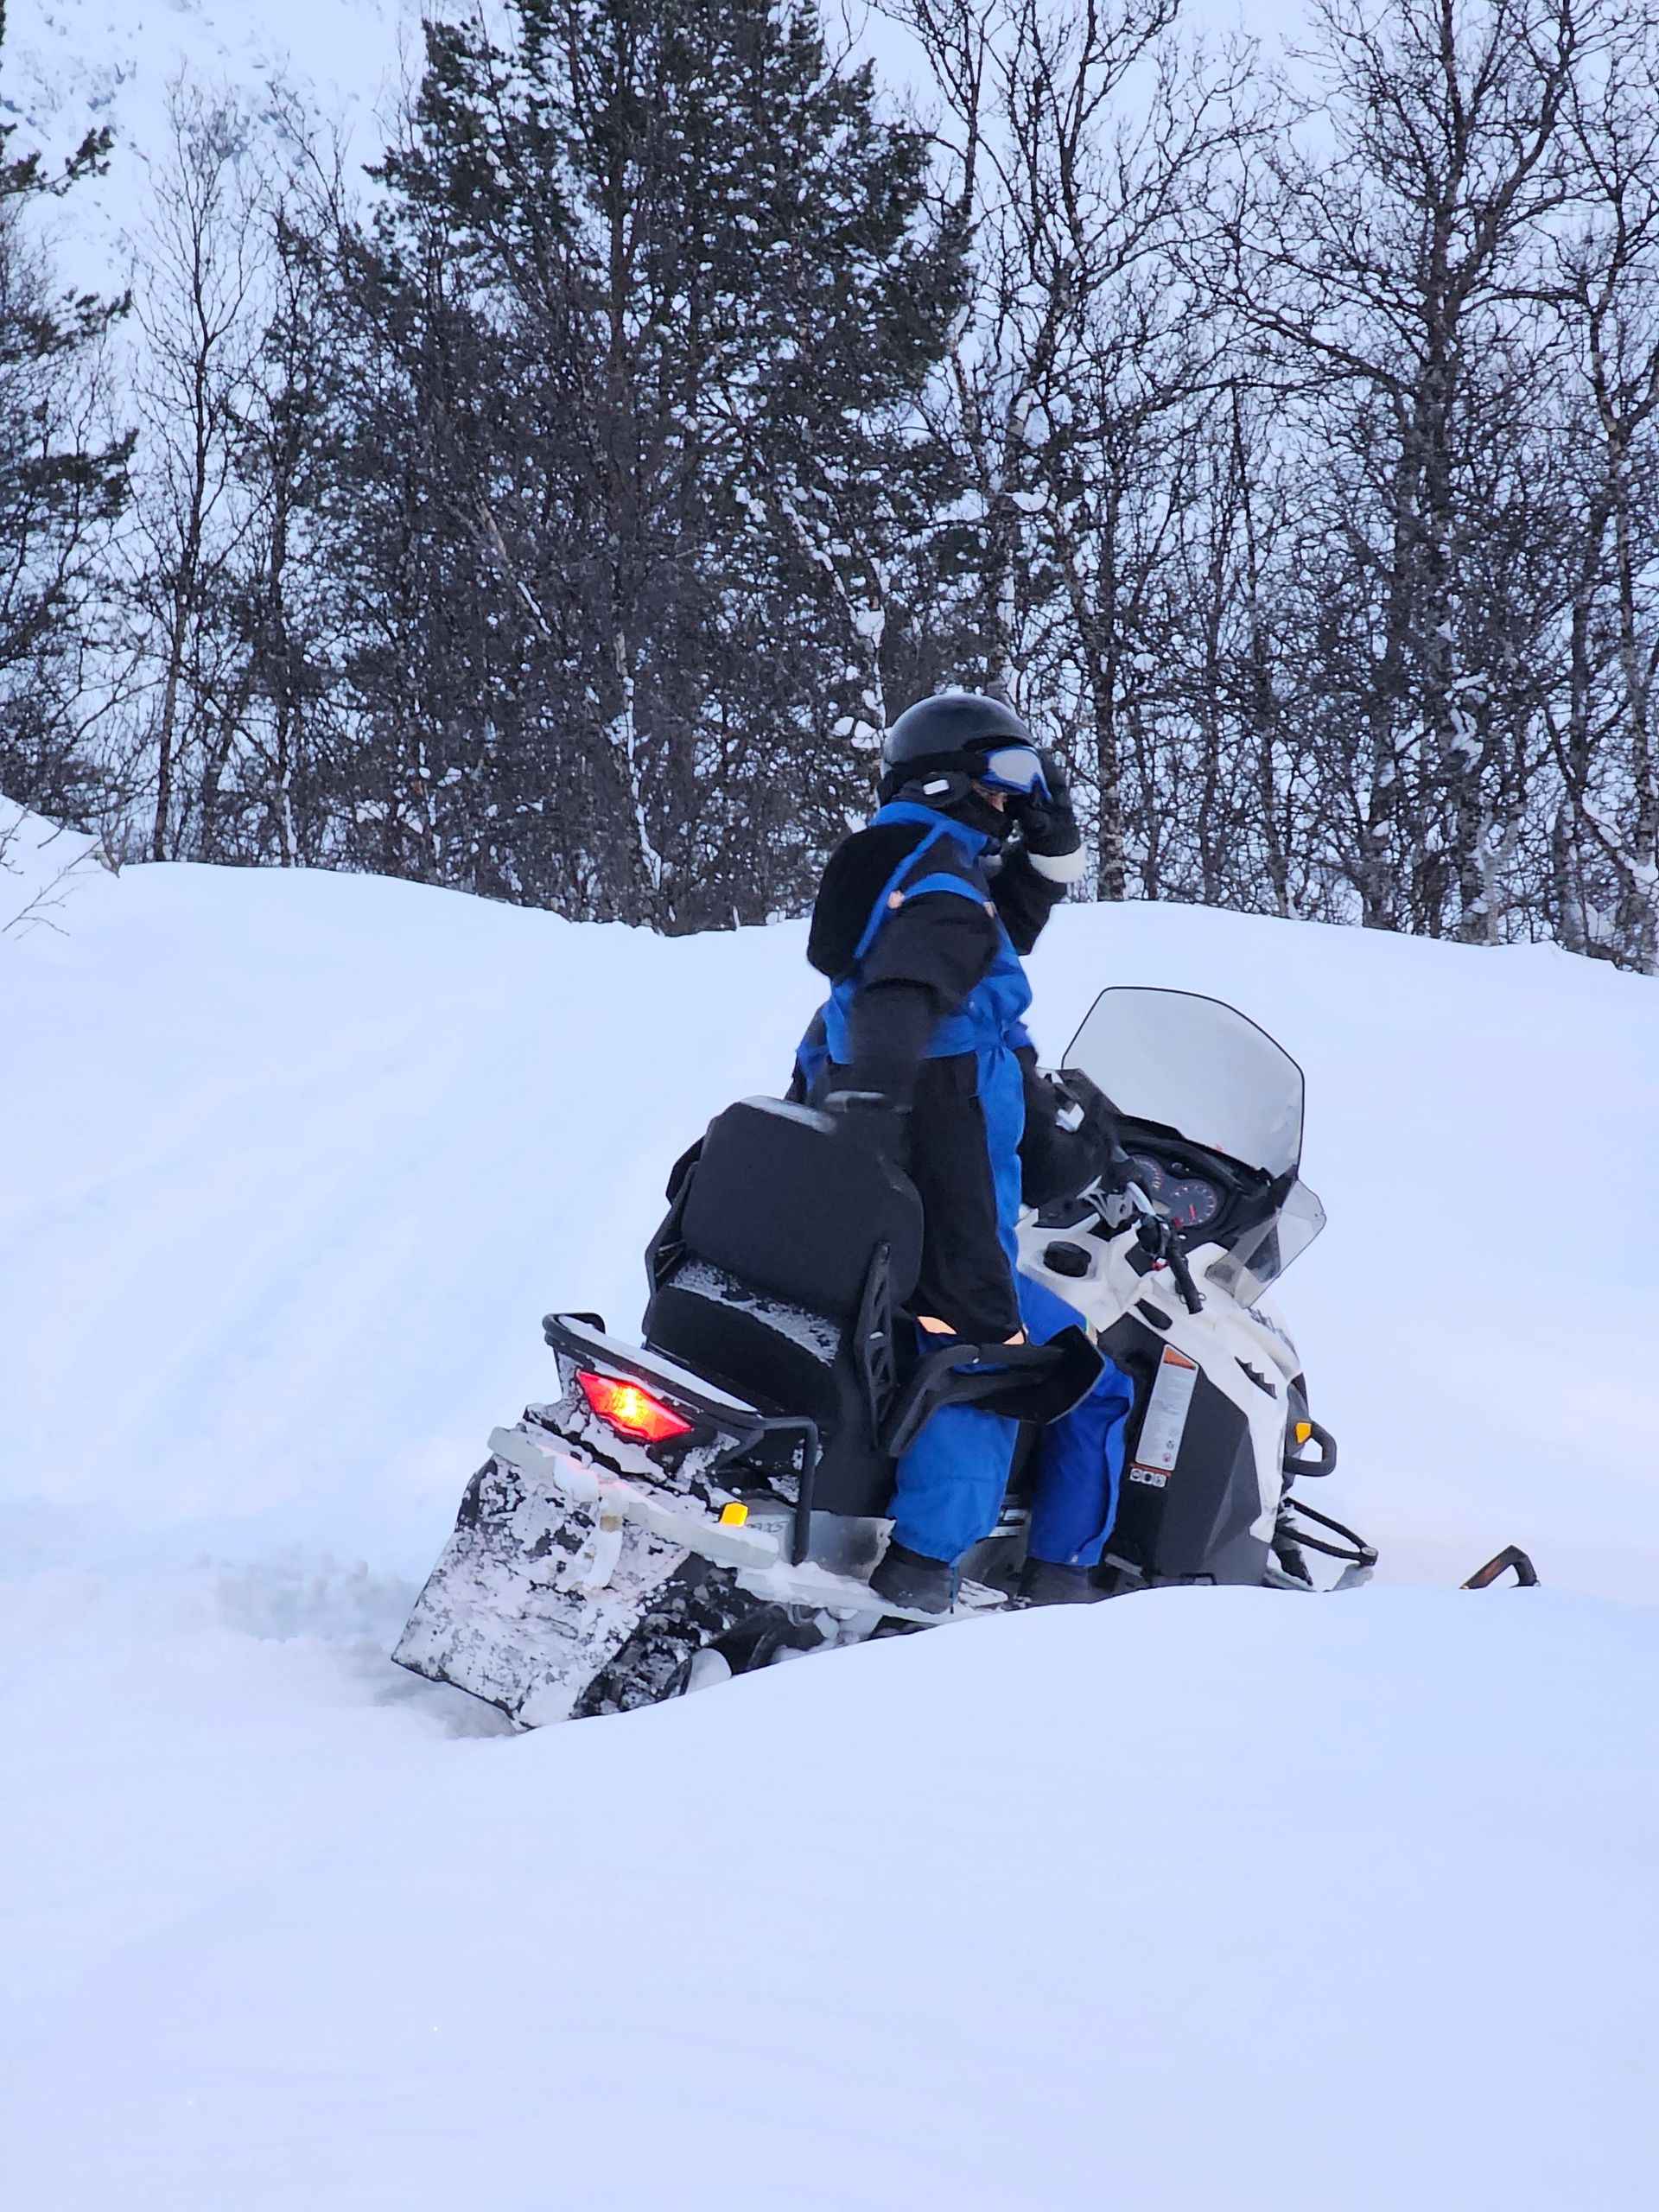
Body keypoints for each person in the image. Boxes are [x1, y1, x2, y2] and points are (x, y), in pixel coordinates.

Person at [796, 693, 1136, 1614]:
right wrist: (878, 1111)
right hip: (943, 1200)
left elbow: (985, 937)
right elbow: (916, 984)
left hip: (874, 1226)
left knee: (978, 1337)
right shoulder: (938, 901)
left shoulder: (899, 875)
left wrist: (1047, 842)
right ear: (958, 779)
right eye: (1012, 781)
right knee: (996, 1355)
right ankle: (932, 1576)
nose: (1017, 802)